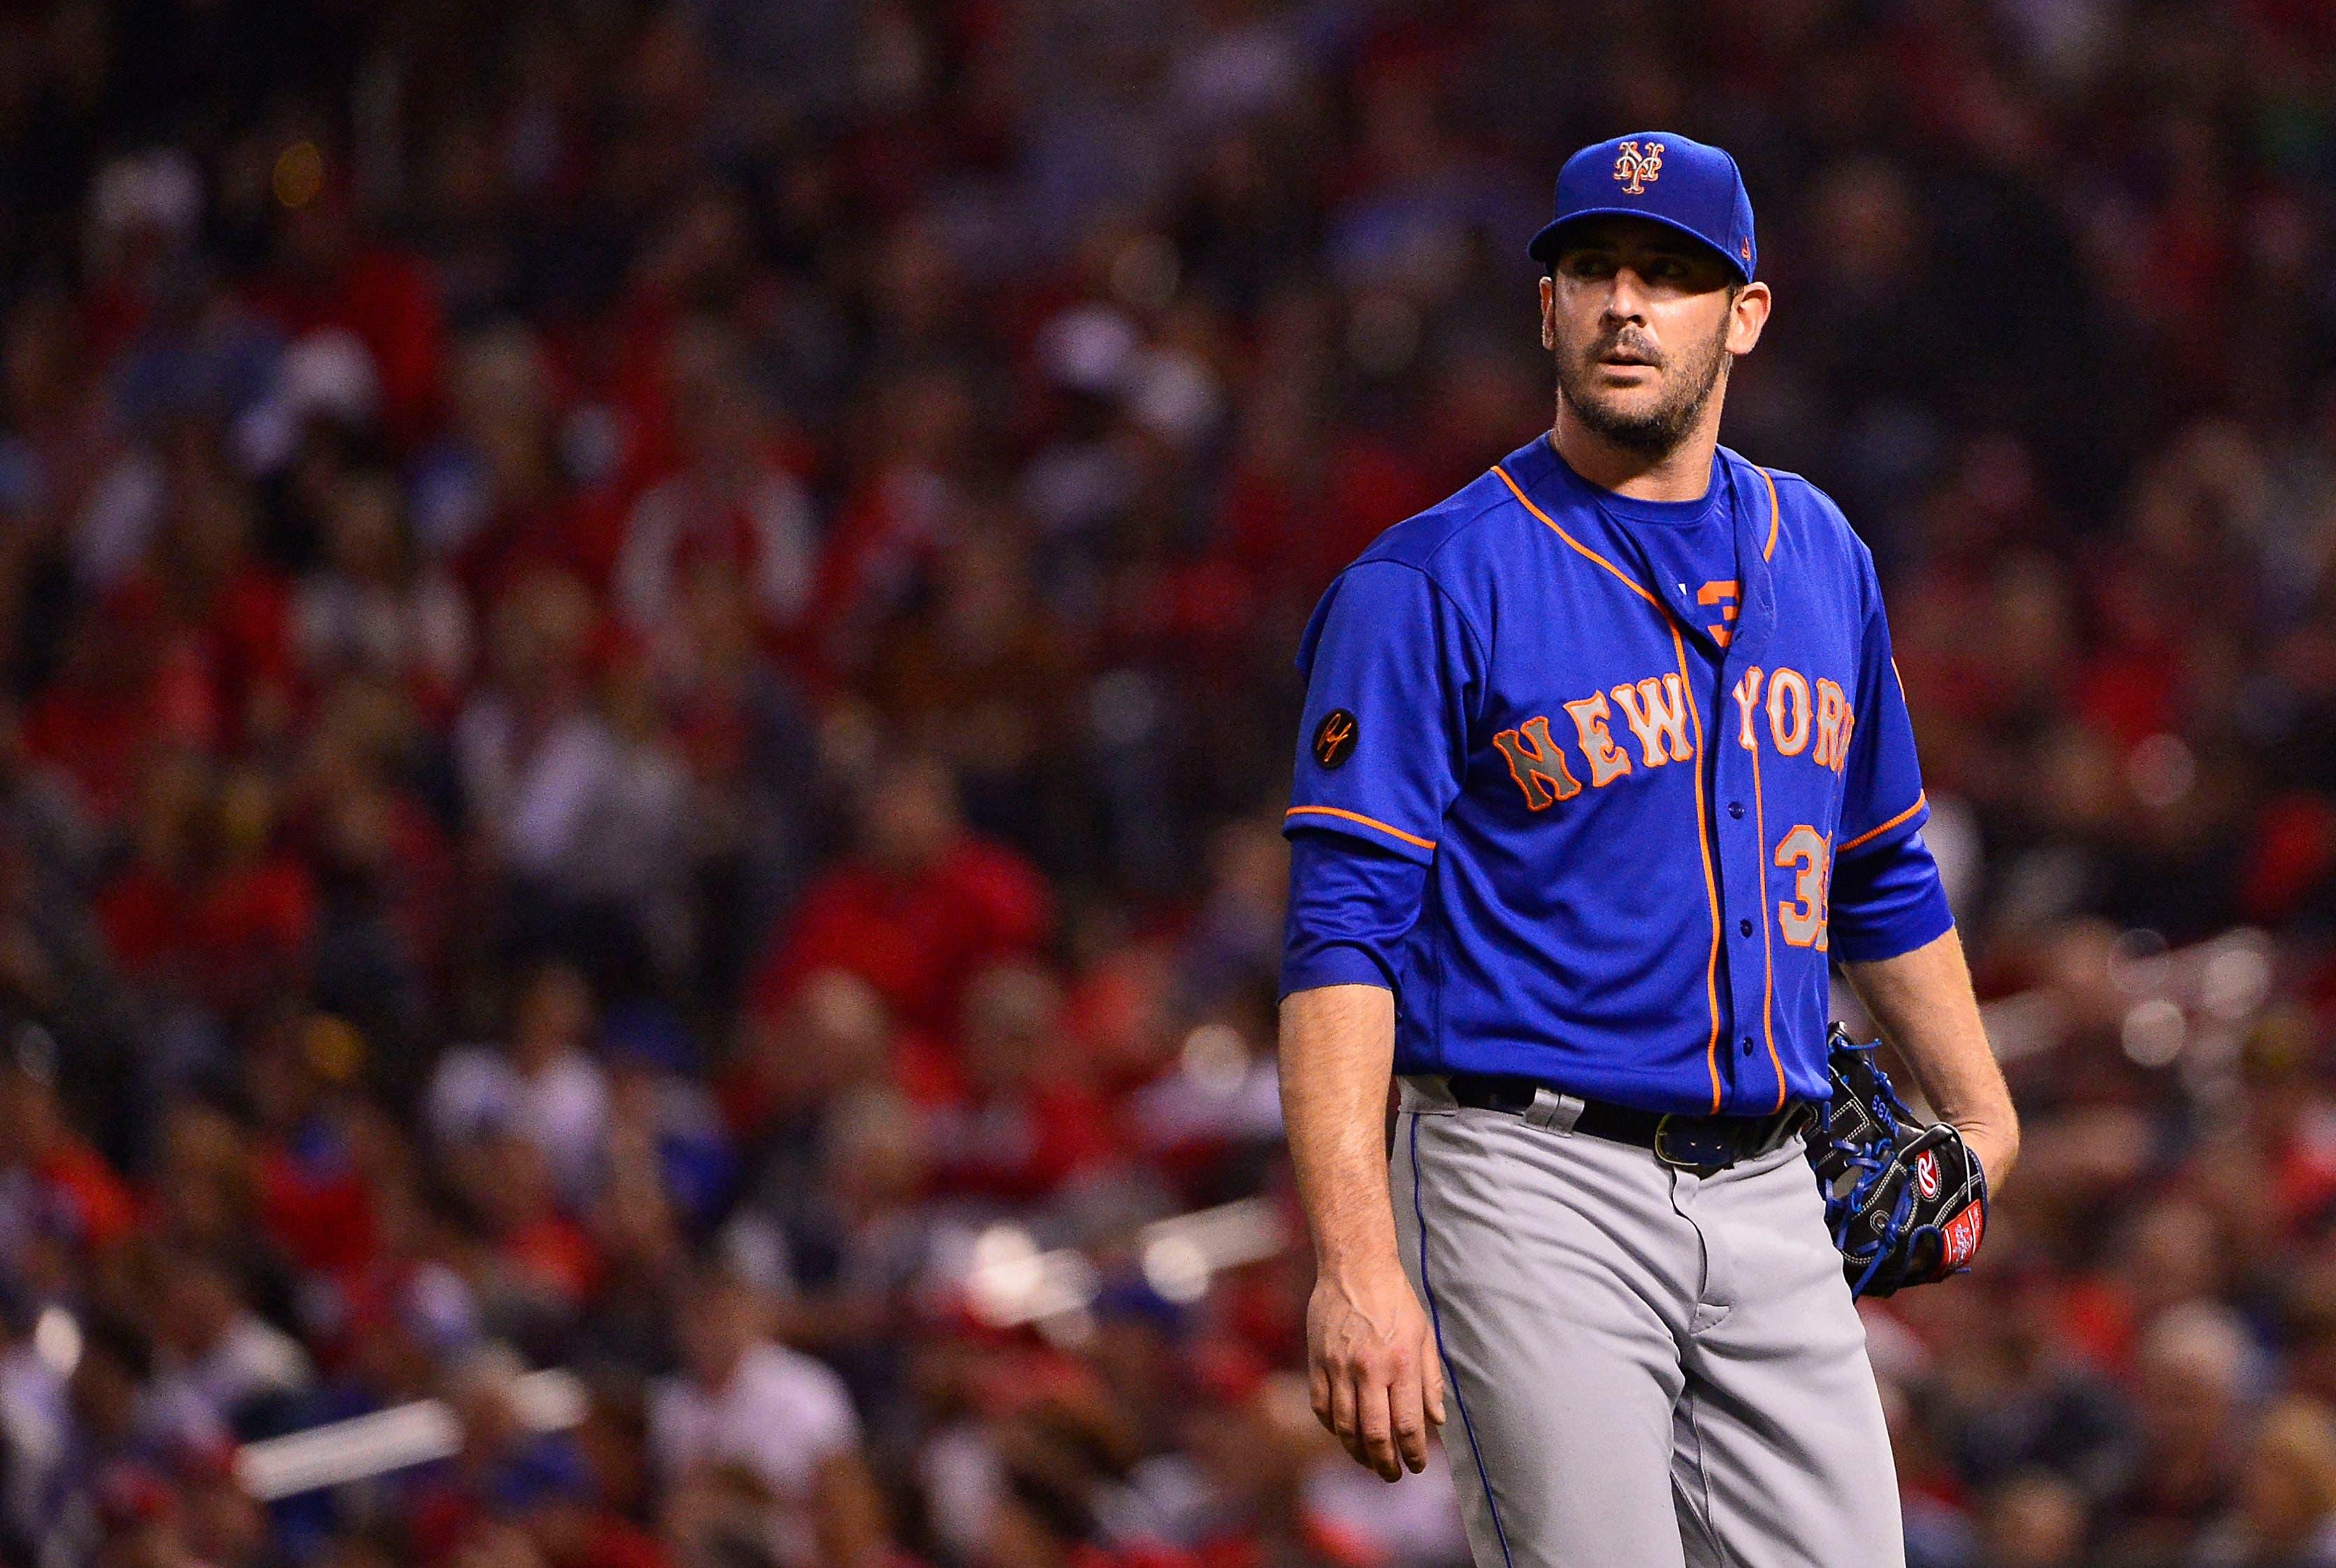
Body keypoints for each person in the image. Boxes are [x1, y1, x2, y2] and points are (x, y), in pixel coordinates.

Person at [1275, 132, 2021, 1567]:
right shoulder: (1428, 583)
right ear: (1543, 306)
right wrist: (1357, 1262)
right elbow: (1341, 934)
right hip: (1527, 1179)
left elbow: (1880, 870)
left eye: (1670, 276)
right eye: (1594, 271)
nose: (1627, 305)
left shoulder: (1820, 552)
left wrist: (1982, 1119)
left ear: (1742, 314)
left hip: (1775, 1186)